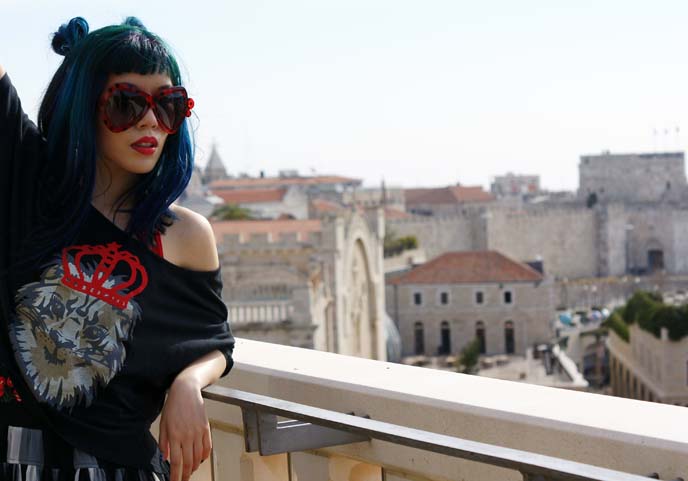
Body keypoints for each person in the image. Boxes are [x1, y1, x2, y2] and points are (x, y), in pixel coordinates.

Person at [0, 16, 235, 481]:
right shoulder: (27, 183)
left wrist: (189, 383)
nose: (150, 120)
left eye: (167, 106)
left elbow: (213, 340)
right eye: (127, 104)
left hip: (115, 469)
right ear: (83, 108)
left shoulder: (184, 235)